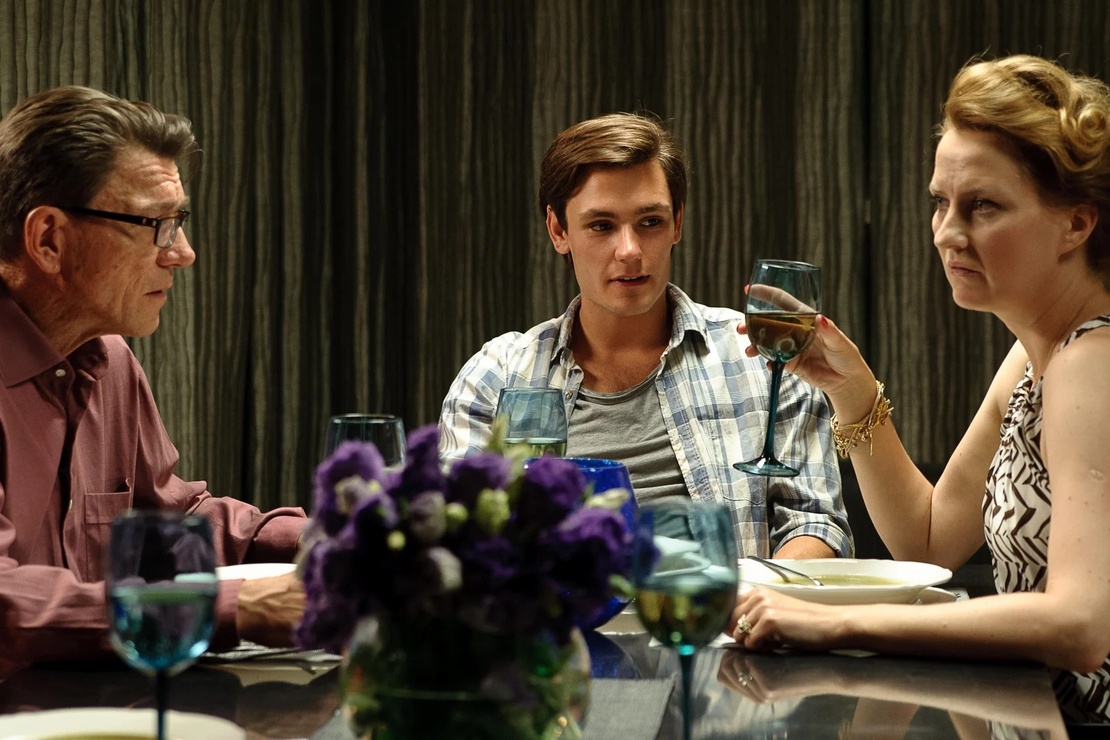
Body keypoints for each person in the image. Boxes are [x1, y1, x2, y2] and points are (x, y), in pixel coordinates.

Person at [728, 54, 1110, 723]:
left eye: (983, 206)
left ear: (1075, 224)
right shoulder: (1033, 358)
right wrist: (852, 390)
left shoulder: (1093, 364)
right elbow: (929, 540)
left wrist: (836, 625)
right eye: (940, 202)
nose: (947, 233)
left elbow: (1079, 627)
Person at [438, 112, 852, 560]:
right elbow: (456, 543)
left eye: (650, 221)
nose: (630, 250)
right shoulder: (498, 377)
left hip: (724, 604)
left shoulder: (761, 359)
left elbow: (817, 523)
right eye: (601, 225)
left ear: (677, 222)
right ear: (559, 231)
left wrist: (748, 596)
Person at [0, 86, 306, 668]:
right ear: (49, 239)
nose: (183, 253)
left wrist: (324, 541)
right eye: (157, 224)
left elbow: (171, 525)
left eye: (178, 221)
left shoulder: (108, 359)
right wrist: (233, 607)